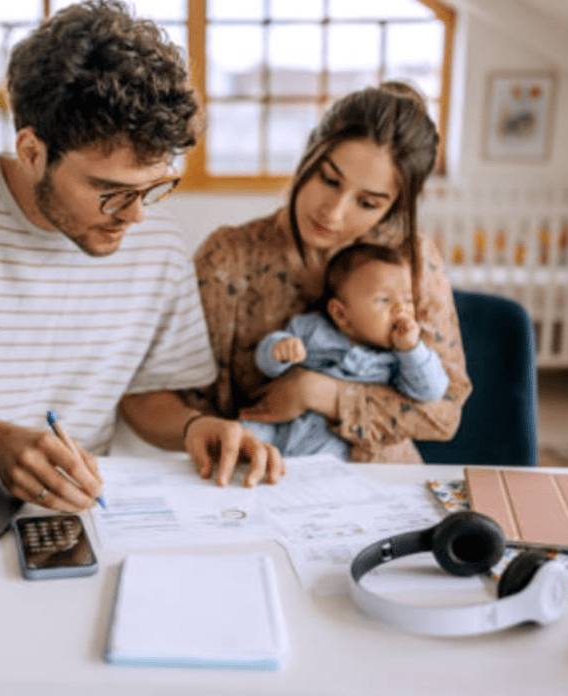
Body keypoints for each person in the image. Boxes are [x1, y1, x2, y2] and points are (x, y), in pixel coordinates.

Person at [0, 0, 283, 512]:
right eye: (110, 191)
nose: (135, 217)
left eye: (154, 187)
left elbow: (145, 394)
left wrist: (197, 427)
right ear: (31, 151)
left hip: (76, 512)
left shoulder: (157, 242)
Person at [185, 81, 472, 472]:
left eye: (367, 203)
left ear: (392, 208)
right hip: (259, 477)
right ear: (308, 154)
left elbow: (443, 414)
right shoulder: (228, 257)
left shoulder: (414, 261)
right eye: (329, 180)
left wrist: (319, 392)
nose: (333, 213)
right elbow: (189, 405)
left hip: (382, 485)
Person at [240, 243, 449, 458]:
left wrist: (411, 350)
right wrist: (278, 350)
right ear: (341, 314)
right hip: (282, 425)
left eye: (407, 300)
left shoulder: (397, 359)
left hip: (333, 438)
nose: (400, 309)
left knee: (327, 462)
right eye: (384, 300)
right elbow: (267, 367)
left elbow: (431, 391)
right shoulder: (312, 328)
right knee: (243, 433)